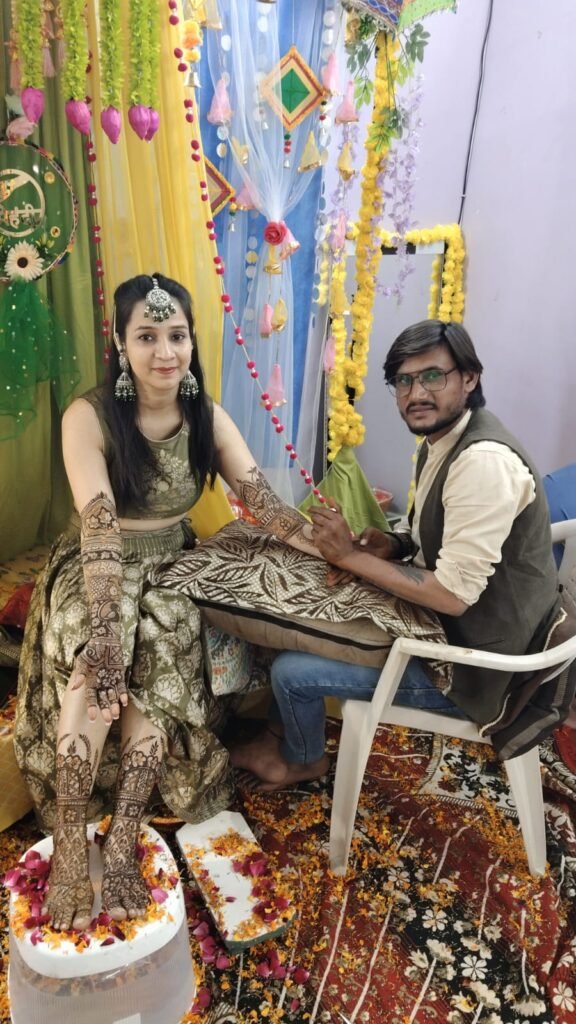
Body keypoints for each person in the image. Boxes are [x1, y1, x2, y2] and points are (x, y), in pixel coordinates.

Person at [14, 273, 320, 932]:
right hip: (97, 564)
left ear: (191, 341)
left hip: (174, 564)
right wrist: (106, 632)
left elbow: (264, 506)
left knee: (166, 655)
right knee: (97, 660)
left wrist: (337, 549)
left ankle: (124, 838)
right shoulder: (90, 416)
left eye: (176, 335)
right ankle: (71, 843)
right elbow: (99, 526)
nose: (165, 352)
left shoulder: (207, 415)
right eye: (147, 336)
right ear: (121, 344)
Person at [231, 319, 567, 790]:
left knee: (291, 670)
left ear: (469, 378)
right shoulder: (443, 440)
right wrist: (393, 544)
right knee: (306, 617)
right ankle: (279, 733)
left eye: (433, 376)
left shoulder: (482, 463)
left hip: (482, 669)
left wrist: (349, 557)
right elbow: (438, 536)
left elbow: (452, 596)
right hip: (462, 631)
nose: (416, 393)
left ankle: (302, 760)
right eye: (404, 381)